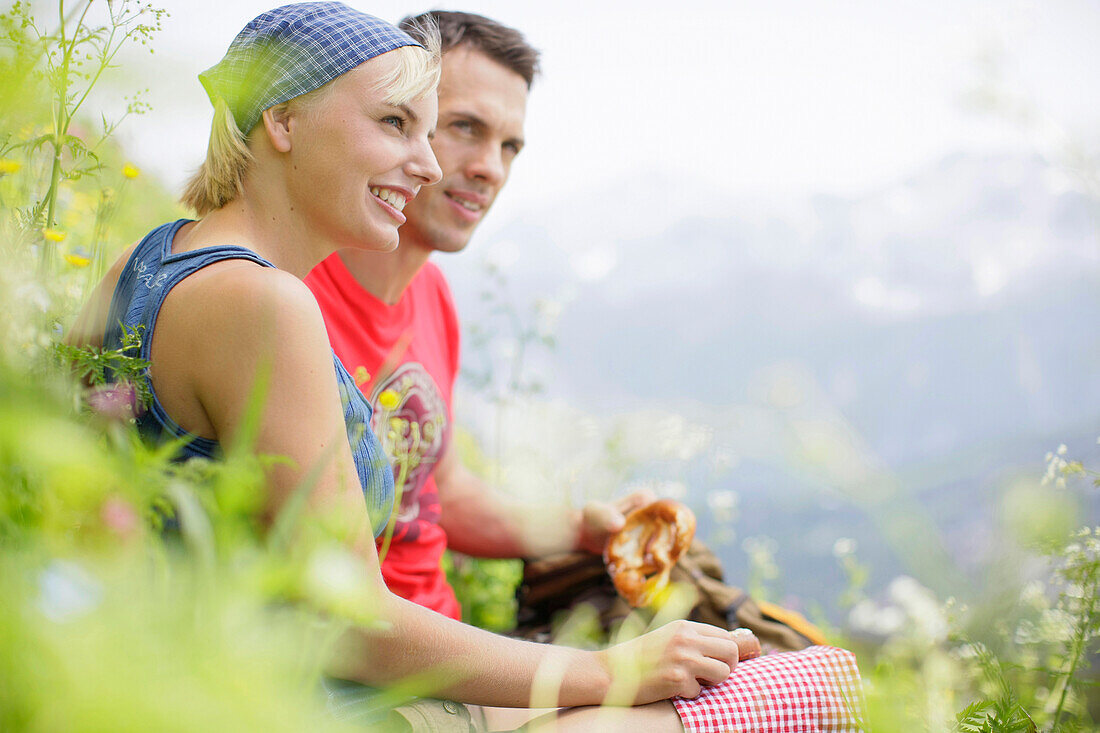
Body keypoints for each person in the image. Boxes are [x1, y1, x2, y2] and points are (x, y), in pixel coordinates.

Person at [67, 3, 754, 731]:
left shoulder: (147, 257)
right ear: (283, 120)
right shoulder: (267, 303)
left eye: (431, 131)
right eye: (397, 124)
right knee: (783, 688)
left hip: (188, 683)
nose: (428, 164)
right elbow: (352, 618)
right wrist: (608, 671)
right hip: (288, 701)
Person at [305, 9, 654, 627]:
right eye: (465, 127)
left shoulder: (431, 293)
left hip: (446, 641)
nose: (491, 167)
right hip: (380, 668)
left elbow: (442, 493)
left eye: (509, 146)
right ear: (397, 121)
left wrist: (579, 529)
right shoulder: (289, 290)